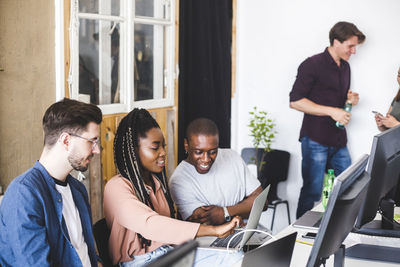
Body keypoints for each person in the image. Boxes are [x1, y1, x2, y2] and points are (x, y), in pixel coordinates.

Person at [104, 109, 243, 267]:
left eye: (163, 146)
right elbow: (150, 225)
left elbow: (167, 228)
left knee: (233, 256)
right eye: (155, 148)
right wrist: (213, 230)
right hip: (140, 262)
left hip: (167, 252)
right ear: (134, 151)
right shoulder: (116, 187)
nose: (163, 153)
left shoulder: (156, 183)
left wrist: (197, 225)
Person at [0, 98, 103, 266]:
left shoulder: (77, 189)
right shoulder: (23, 195)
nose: (96, 150)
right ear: (66, 140)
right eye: (92, 141)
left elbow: (86, 251)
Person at [289, 21, 365, 219]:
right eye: (350, 46)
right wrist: (333, 111)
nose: (354, 51)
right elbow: (295, 101)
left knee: (351, 187)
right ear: (336, 42)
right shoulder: (311, 64)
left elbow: (336, 103)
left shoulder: (345, 67)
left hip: (339, 140)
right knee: (312, 192)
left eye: (355, 46)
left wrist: (349, 101)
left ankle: (336, 233)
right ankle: (297, 236)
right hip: (315, 139)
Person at [169, 118, 265, 226]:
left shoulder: (232, 156)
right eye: (198, 152)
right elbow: (205, 223)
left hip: (250, 231)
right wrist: (242, 209)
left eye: (213, 152)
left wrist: (225, 212)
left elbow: (262, 202)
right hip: (213, 240)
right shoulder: (179, 180)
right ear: (186, 145)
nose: (206, 159)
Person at [374, 66, 400, 131]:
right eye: (399, 75)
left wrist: (395, 124)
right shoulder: (397, 98)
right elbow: (387, 130)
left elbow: (394, 124)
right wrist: (382, 124)